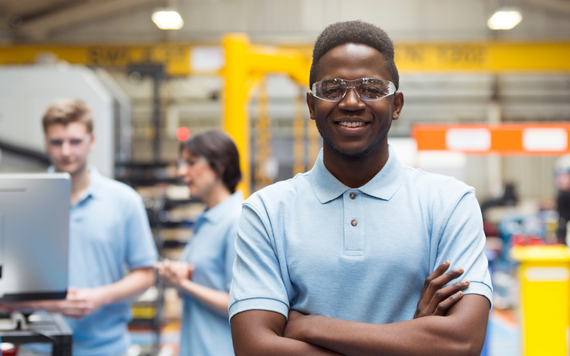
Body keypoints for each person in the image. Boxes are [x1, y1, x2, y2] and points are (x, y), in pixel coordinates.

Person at [229, 21, 492, 356]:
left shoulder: (449, 203)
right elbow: (254, 349)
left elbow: (462, 342)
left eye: (371, 88)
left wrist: (311, 326)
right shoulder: (266, 212)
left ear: (396, 105)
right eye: (332, 88)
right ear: (311, 105)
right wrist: (411, 338)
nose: (351, 102)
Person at [16, 99, 158, 356]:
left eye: (75, 141)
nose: (66, 151)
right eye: (57, 142)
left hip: (106, 348)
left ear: (91, 140)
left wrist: (100, 297)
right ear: (45, 142)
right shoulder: (22, 201)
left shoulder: (124, 201)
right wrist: (50, 304)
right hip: (37, 347)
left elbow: (146, 274)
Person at [156, 131, 242, 356]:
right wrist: (181, 273)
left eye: (191, 162)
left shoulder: (236, 220)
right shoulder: (206, 219)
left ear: (220, 166)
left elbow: (241, 305)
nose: (182, 171)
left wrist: (182, 284)